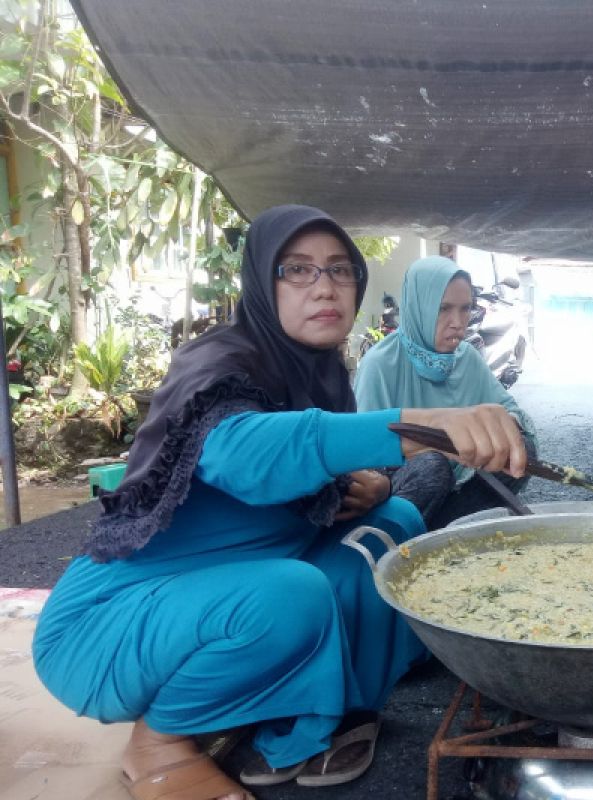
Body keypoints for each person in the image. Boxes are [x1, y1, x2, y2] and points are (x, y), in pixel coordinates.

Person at [32, 206, 526, 800]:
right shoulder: (216, 363)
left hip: (220, 591)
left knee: (391, 524)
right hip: (108, 623)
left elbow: (304, 471)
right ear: (262, 284)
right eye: (298, 269)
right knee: (294, 592)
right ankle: (159, 744)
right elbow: (245, 457)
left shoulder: (318, 370)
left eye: (341, 270)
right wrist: (419, 424)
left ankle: (328, 708)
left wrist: (361, 484)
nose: (324, 286)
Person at [354, 256, 537, 529]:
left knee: (520, 448)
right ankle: (401, 533)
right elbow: (366, 456)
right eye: (443, 309)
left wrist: (506, 427)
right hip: (399, 488)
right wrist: (442, 445)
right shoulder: (380, 364)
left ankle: (450, 528)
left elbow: (509, 409)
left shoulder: (467, 357)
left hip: (457, 489)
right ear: (419, 308)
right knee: (432, 466)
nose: (458, 322)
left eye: (465, 309)